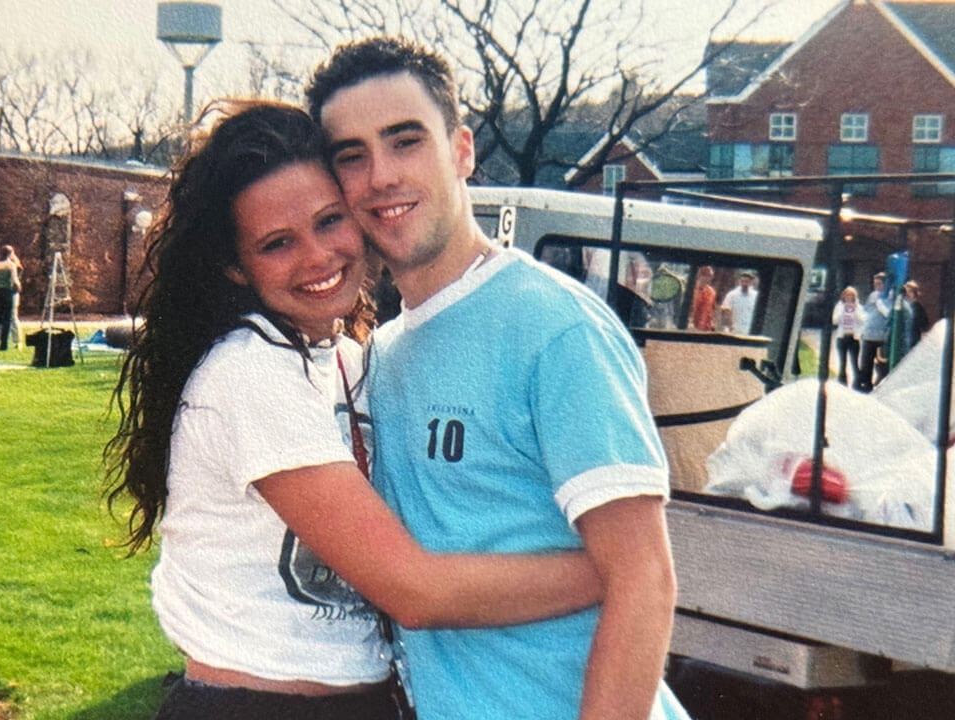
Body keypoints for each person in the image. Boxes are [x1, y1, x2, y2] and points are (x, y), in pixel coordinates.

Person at [105, 101, 603, 720]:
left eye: (329, 220)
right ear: (236, 265)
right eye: (278, 243)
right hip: (257, 707)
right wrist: (612, 570)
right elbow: (412, 590)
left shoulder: (349, 357)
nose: (317, 257)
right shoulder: (248, 373)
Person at [307, 37, 685, 720]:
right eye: (352, 156)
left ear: (461, 150)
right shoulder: (381, 355)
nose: (382, 176)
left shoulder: (556, 328)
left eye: (405, 141)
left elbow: (646, 579)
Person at [858, 271, 891, 391]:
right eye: (875, 283)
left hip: (881, 336)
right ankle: (865, 384)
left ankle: (881, 384)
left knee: (881, 363)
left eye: (879, 283)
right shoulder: (872, 295)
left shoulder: (889, 296)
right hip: (868, 334)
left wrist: (880, 304)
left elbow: (889, 314)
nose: (876, 286)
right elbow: (866, 312)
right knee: (866, 362)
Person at [831, 286, 862, 386]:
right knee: (842, 363)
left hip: (853, 338)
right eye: (847, 295)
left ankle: (857, 385)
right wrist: (844, 311)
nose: (849, 297)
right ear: (844, 296)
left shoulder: (858, 307)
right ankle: (842, 383)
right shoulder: (839, 306)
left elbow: (862, 320)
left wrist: (855, 309)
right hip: (842, 337)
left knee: (855, 363)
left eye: (851, 295)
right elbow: (834, 320)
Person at [690, 266, 716, 331]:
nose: (710, 278)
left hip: (706, 327)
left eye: (710, 276)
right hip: (692, 326)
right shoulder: (691, 290)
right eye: (708, 276)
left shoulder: (711, 291)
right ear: (700, 276)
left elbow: (711, 309)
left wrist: (711, 323)